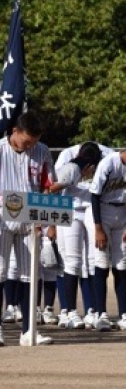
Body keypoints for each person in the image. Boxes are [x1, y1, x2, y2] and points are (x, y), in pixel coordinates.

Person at [0, 110, 56, 346]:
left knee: (30, 274)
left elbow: (47, 186)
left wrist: (45, 221)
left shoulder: (42, 151)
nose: (30, 145)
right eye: (27, 141)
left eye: (34, 141)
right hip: (1, 216)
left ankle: (28, 330)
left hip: (30, 219)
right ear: (15, 131)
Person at [51, 141, 111, 329]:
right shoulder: (67, 155)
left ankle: (94, 311)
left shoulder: (106, 155)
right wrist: (52, 224)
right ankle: (70, 312)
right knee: (72, 261)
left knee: (94, 260)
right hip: (69, 208)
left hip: (93, 208)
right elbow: (52, 187)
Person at [86, 148, 126, 331]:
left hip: (122, 213)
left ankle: (123, 314)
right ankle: (101, 314)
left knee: (122, 264)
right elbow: (94, 196)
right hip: (102, 212)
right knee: (102, 263)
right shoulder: (109, 163)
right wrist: (98, 228)